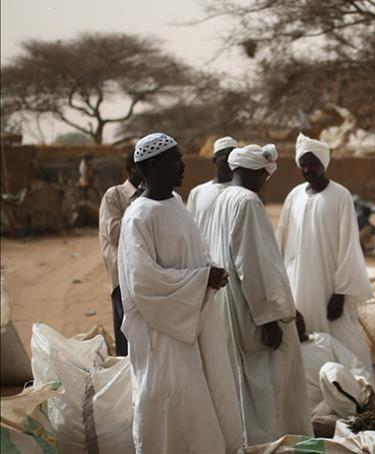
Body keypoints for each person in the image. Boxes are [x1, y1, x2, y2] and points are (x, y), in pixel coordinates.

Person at [117, 133, 243, 453]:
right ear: (152, 166)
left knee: (203, 397)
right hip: (162, 332)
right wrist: (202, 280)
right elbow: (143, 281)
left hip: (191, 320)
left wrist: (210, 272)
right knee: (169, 402)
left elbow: (195, 251)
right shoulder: (138, 216)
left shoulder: (175, 202)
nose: (182, 166)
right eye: (175, 160)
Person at [206, 143, 312, 443]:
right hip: (253, 310)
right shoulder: (248, 202)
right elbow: (254, 265)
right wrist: (269, 319)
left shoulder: (224, 198)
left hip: (233, 305)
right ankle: (271, 444)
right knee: (266, 385)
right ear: (259, 174)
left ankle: (250, 442)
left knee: (247, 385)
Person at [276, 134, 374, 371]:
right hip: (297, 282)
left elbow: (349, 246)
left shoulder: (340, 196)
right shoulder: (294, 196)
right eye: (303, 164)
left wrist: (340, 292)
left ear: (324, 164)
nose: (308, 169)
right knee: (305, 335)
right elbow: (281, 240)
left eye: (313, 164)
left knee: (343, 336)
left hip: (330, 284)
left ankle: (359, 384)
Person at [97, 150, 142, 356]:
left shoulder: (155, 195)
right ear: (130, 169)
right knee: (127, 333)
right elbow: (114, 233)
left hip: (146, 276)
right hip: (122, 277)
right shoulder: (114, 195)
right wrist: (142, 210)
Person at [296, 312, 375, 418]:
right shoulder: (289, 355)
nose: (297, 322)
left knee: (331, 370)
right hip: (319, 414)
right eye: (291, 320)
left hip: (347, 400)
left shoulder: (323, 340)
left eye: (297, 316)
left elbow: (355, 367)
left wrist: (367, 394)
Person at [187, 136, 237, 234]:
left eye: (233, 160)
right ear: (215, 160)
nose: (229, 164)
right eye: (225, 160)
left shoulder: (240, 193)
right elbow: (190, 229)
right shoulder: (197, 192)